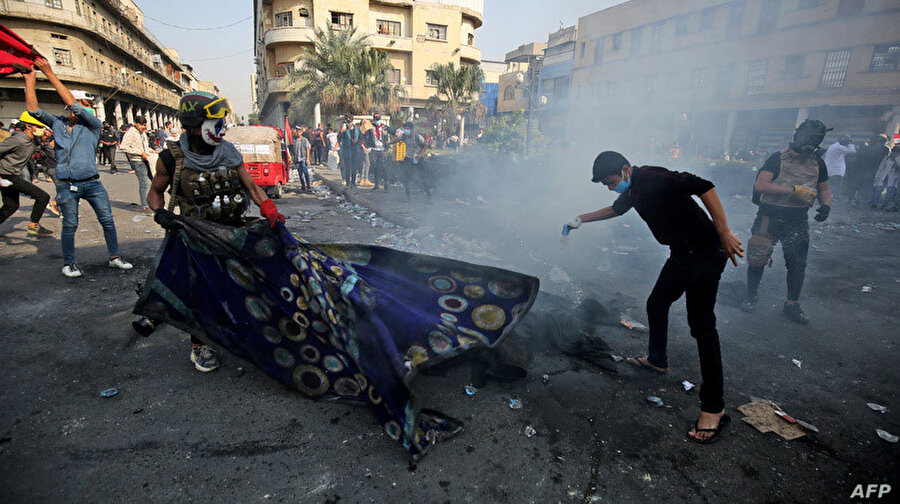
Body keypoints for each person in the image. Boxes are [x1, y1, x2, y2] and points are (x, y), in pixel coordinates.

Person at [564, 150, 743, 444]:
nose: (611, 188)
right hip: (681, 254)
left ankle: (714, 409)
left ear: (625, 169)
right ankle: (657, 360)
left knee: (701, 326)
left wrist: (723, 230)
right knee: (656, 303)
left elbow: (703, 185)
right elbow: (615, 210)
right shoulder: (632, 188)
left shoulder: (650, 176)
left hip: (706, 253)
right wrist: (580, 219)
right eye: (606, 186)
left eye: (611, 182)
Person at [138, 90, 286, 372]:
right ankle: (200, 345)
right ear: (195, 125)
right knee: (201, 295)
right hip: (196, 238)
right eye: (217, 123)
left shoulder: (229, 152)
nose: (223, 129)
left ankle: (242, 333)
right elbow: (155, 191)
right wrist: (160, 213)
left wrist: (269, 209)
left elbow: (253, 187)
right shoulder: (172, 158)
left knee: (244, 285)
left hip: (232, 235)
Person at [27, 57, 133, 278]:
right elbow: (33, 110)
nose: (76, 108)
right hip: (67, 185)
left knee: (107, 220)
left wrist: (49, 73)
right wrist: (30, 79)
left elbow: (74, 104)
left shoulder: (93, 125)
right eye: (75, 104)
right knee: (70, 224)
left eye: (81, 105)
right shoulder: (58, 124)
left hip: (92, 183)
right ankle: (69, 263)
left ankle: (115, 257)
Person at [742, 119, 832, 325]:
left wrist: (825, 206)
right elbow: (761, 185)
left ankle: (792, 304)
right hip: (769, 218)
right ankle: (750, 296)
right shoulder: (778, 158)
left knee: (797, 264)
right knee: (758, 257)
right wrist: (793, 190)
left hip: (797, 220)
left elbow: (824, 188)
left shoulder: (818, 163)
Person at [0, 109, 53, 240]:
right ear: (28, 126)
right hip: (7, 175)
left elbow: (48, 156)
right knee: (42, 196)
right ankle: (34, 225)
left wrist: (45, 141)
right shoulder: (18, 139)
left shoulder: (33, 140)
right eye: (39, 127)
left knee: (11, 206)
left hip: (11, 174)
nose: (42, 129)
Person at [387, 121, 429, 202]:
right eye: (405, 129)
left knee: (423, 177)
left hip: (418, 158)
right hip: (408, 158)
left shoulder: (418, 137)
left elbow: (425, 145)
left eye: (407, 129)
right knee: (405, 177)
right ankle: (408, 196)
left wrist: (420, 154)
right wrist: (389, 143)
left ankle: (428, 196)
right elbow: (397, 140)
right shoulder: (404, 136)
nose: (406, 131)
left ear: (412, 129)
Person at [120, 115, 153, 213]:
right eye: (142, 125)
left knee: (153, 181)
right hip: (137, 160)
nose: (143, 127)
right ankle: (145, 206)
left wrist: (150, 151)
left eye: (145, 125)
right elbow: (123, 147)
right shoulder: (131, 133)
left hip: (146, 159)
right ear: (136, 123)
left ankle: (153, 202)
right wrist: (139, 153)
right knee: (144, 183)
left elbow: (144, 147)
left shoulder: (142, 133)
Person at [847, 134, 889, 206]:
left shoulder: (866, 147)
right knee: (866, 186)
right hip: (870, 170)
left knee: (858, 185)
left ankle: (855, 199)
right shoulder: (884, 149)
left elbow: (858, 157)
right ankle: (864, 200)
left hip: (863, 170)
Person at [363, 113, 388, 191]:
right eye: (376, 119)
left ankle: (386, 186)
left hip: (382, 150)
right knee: (375, 168)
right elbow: (364, 134)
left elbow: (393, 132)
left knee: (384, 168)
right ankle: (376, 185)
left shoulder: (384, 127)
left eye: (378, 119)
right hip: (374, 150)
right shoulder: (371, 127)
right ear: (374, 119)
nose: (377, 120)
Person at [872, 144, 900, 210]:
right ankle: (875, 203)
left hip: (893, 178)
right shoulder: (887, 158)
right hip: (884, 176)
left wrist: (896, 158)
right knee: (879, 190)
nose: (894, 153)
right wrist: (877, 175)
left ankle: (885, 204)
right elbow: (881, 167)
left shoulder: (898, 159)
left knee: (889, 192)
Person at [337, 115, 358, 188]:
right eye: (347, 121)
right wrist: (342, 131)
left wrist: (356, 140)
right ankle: (348, 182)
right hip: (346, 151)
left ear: (352, 121)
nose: (348, 123)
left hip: (354, 150)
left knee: (354, 168)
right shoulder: (345, 130)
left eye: (349, 121)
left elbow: (360, 138)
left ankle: (353, 183)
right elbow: (339, 138)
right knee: (347, 168)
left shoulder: (356, 129)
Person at [293, 125, 311, 191]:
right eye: (297, 132)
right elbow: (293, 149)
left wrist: (308, 158)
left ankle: (308, 185)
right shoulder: (294, 140)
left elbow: (307, 149)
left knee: (305, 172)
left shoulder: (304, 140)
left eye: (299, 132)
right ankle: (303, 185)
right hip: (297, 158)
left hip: (303, 158)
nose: (298, 133)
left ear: (301, 133)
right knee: (300, 174)